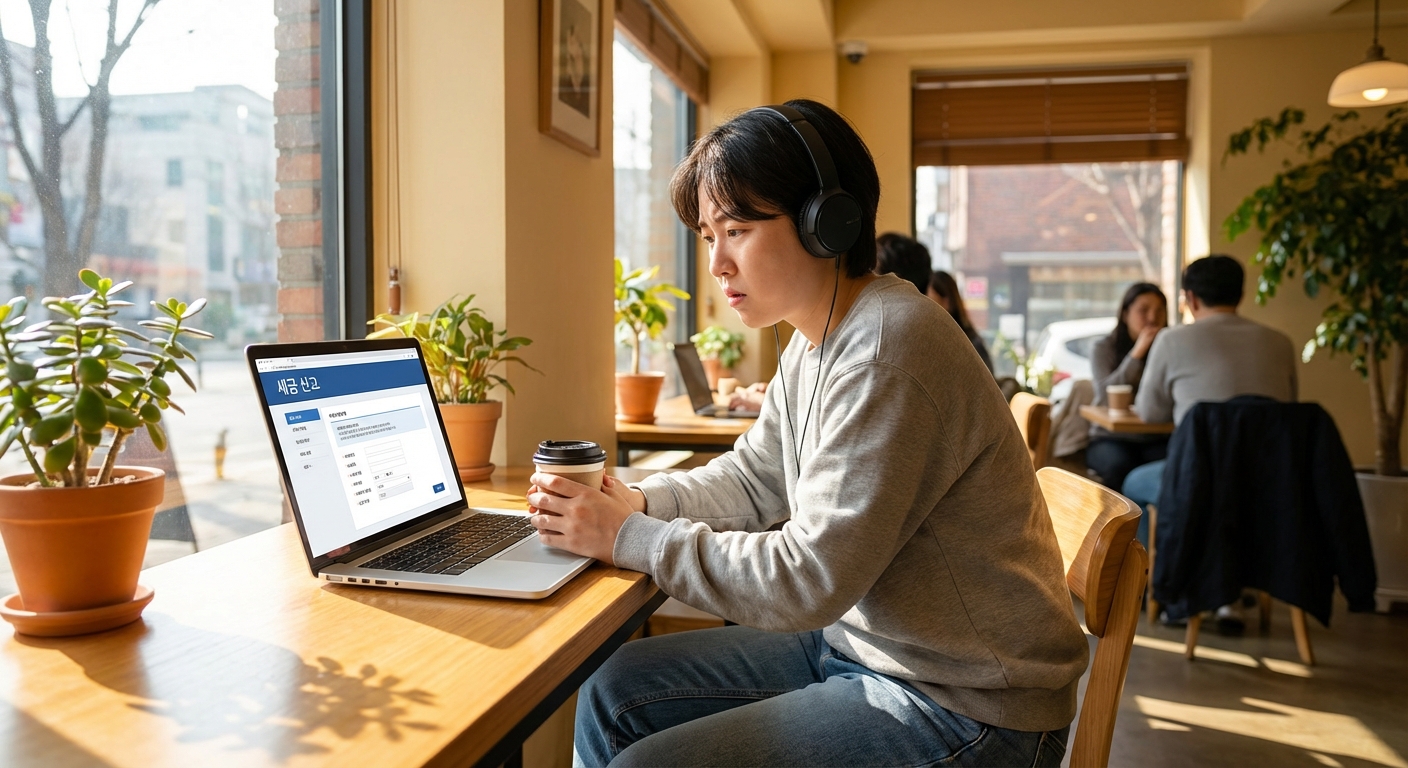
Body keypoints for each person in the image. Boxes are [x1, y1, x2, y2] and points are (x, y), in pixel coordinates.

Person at [525, 99, 1087, 767]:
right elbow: (754, 477)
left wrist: (627, 538)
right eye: (709, 237)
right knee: (615, 689)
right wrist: (640, 504)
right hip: (866, 648)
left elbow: (808, 578)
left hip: (968, 704)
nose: (717, 265)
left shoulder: (888, 349)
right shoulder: (813, 342)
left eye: (736, 229)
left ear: (827, 222)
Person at [1120, 255, 1297, 629]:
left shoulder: (1172, 340)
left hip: (1198, 478)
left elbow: (1151, 413)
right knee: (1228, 492)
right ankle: (1229, 594)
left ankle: (1166, 588)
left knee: (1135, 482)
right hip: (1269, 483)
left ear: (1190, 299)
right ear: (1242, 294)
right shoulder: (1280, 343)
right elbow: (1289, 412)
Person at [1085, 283, 1169, 493]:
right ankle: (1121, 526)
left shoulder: (1170, 348)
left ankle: (1158, 525)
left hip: (1156, 436)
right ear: (1125, 314)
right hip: (1110, 437)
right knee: (1119, 466)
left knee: (1181, 465)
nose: (1153, 317)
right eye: (1144, 310)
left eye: (1159, 310)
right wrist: (1137, 354)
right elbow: (1105, 397)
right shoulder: (1103, 348)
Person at [927, 270, 994, 372]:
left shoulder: (967, 345)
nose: (925, 310)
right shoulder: (968, 339)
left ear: (946, 301)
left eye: (930, 301)